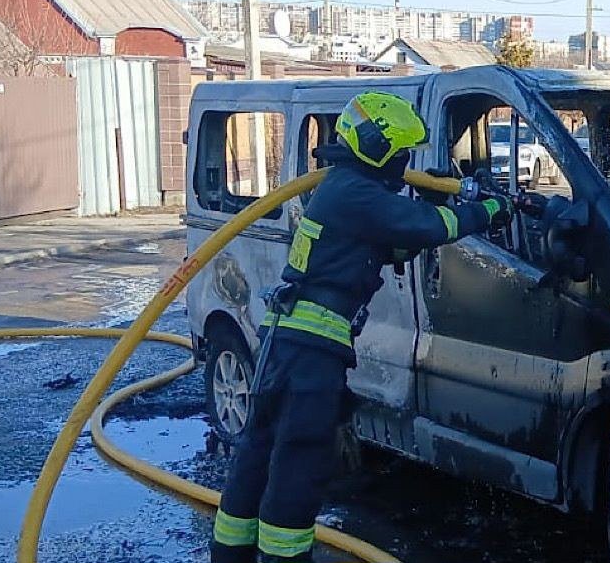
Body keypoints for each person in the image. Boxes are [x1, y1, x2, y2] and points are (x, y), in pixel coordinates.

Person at [210, 92, 511, 563]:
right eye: (401, 152)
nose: (405, 162)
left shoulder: (346, 188)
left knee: (260, 452)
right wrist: (491, 209)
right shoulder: (356, 193)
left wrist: (425, 208)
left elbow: (388, 245)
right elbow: (431, 227)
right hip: (310, 351)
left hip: (288, 342)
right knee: (300, 462)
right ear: (378, 148)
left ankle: (230, 554)